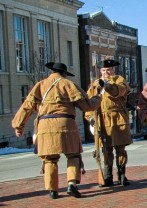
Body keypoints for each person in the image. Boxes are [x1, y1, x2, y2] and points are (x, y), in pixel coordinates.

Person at [12, 62, 101, 199]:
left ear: (52, 72)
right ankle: (72, 184)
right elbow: (87, 106)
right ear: (64, 73)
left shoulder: (40, 85)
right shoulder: (68, 84)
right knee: (73, 155)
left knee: (49, 159)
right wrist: (97, 98)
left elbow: (27, 106)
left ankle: (53, 190)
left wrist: (19, 126)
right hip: (66, 125)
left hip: (45, 126)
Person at [85, 59, 132, 187]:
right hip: (101, 119)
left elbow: (120, 91)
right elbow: (89, 104)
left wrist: (106, 85)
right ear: (100, 71)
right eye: (104, 70)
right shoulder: (94, 85)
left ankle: (122, 175)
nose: (107, 72)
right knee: (106, 150)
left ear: (113, 70)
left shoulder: (118, 80)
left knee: (120, 149)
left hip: (118, 118)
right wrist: (90, 118)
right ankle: (108, 176)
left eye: (109, 70)